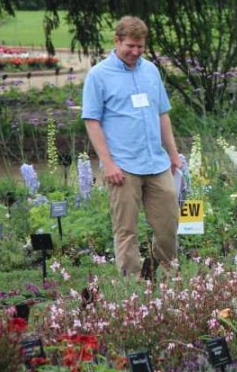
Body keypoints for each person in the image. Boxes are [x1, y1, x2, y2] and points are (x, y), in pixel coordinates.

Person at [82, 16, 182, 277]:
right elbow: (92, 122)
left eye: (141, 47)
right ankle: (133, 286)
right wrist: (108, 163)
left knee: (168, 222)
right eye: (130, 46)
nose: (136, 52)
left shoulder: (150, 70)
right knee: (126, 229)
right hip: (123, 166)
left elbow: (162, 114)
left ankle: (169, 274)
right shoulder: (98, 75)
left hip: (156, 162)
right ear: (117, 41)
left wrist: (172, 153)